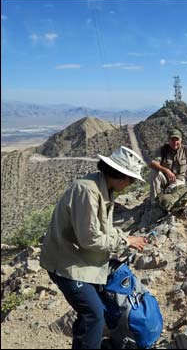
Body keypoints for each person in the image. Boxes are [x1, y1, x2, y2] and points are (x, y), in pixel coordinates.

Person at [39, 146, 148, 349]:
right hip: (66, 264)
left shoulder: (104, 189)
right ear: (121, 176)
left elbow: (101, 229)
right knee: (94, 314)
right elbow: (89, 239)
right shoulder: (87, 191)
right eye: (131, 180)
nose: (131, 184)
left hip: (79, 260)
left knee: (91, 313)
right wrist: (125, 242)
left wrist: (124, 237)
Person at [148, 128, 187, 212]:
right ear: (168, 140)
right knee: (154, 173)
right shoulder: (163, 150)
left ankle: (164, 203)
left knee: (170, 193)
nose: (174, 142)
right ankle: (154, 203)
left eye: (177, 140)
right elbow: (152, 163)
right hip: (165, 179)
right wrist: (166, 170)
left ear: (181, 140)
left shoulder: (186, 150)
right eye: (172, 140)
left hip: (178, 180)